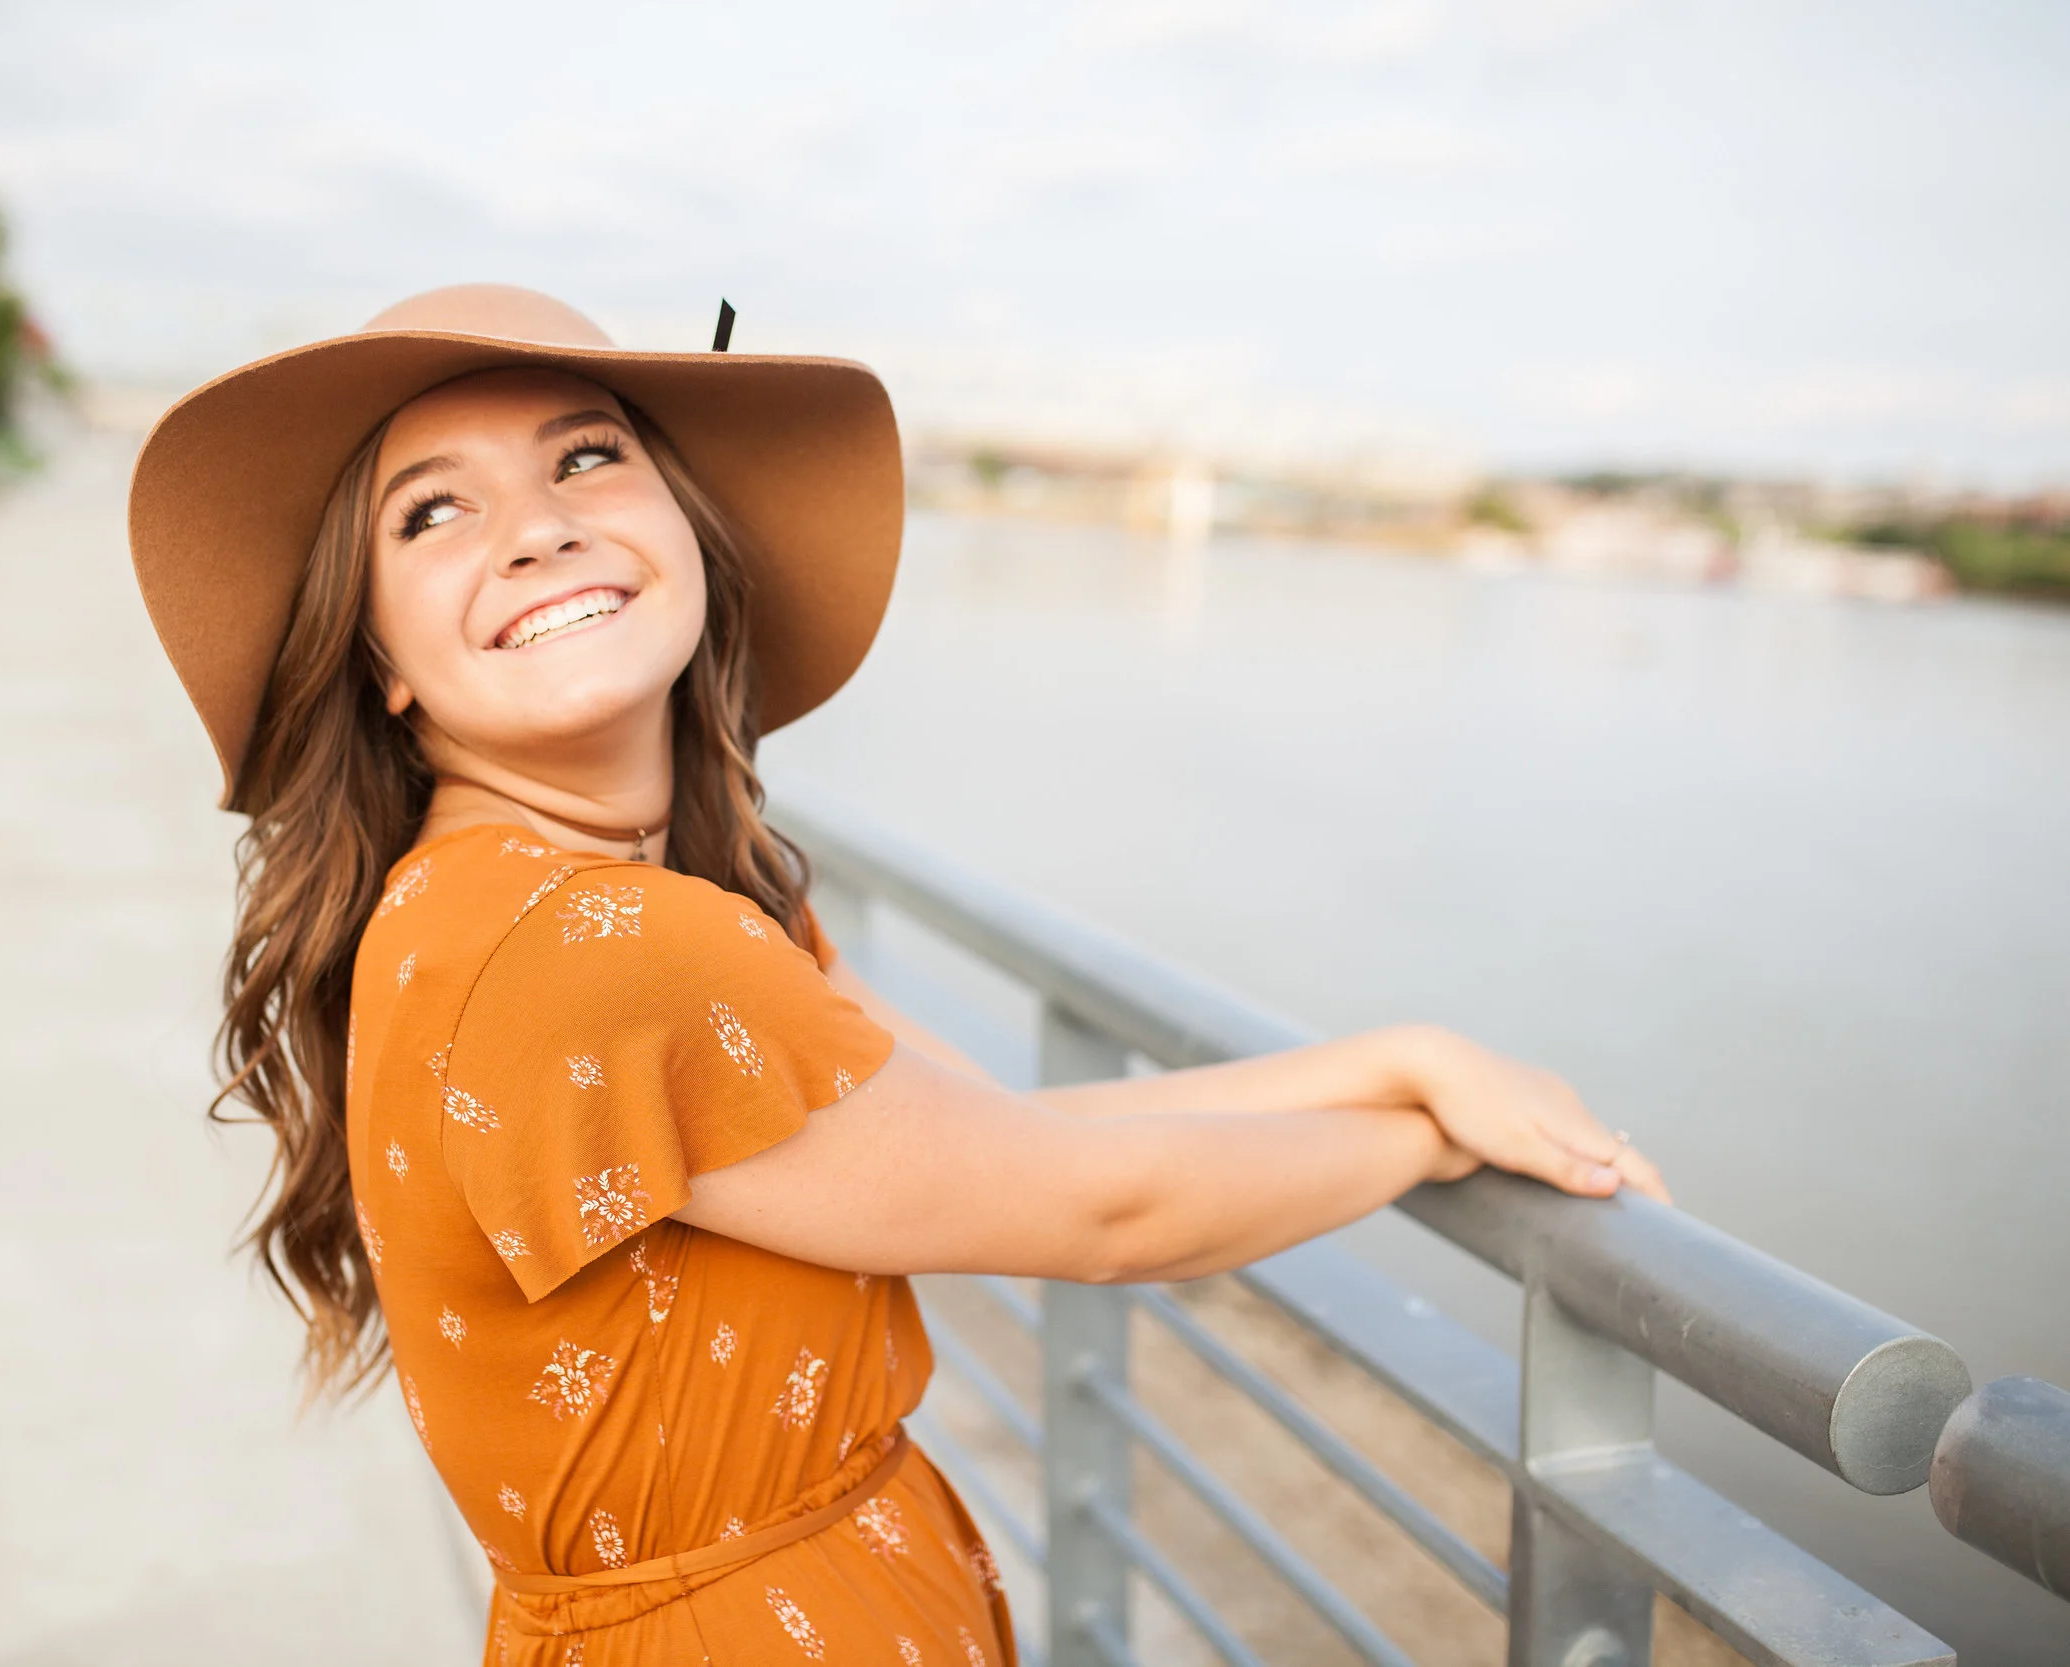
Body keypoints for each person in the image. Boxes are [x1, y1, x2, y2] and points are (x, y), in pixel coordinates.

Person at [125, 284, 1668, 1667]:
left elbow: (1008, 1136)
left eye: (586, 457)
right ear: (380, 660)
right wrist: (1430, 1138)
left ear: (689, 532)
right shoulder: (598, 948)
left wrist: (1393, 1058)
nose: (536, 528)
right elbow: (1103, 1213)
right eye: (432, 512)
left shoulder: (585, 902)